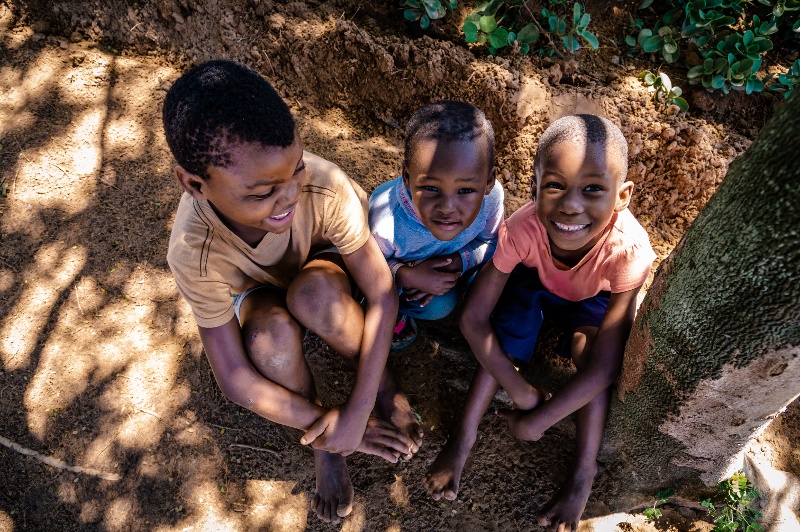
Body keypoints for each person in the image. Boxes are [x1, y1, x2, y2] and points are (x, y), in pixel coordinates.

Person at [162, 60, 423, 524]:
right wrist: (338, 431)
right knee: (267, 338)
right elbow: (236, 378)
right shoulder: (192, 251)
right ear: (195, 184)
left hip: (324, 273)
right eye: (263, 192)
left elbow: (382, 293)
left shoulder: (324, 188)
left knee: (314, 296)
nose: (288, 198)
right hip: (257, 293)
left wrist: (362, 407)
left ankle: (386, 388)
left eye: (296, 170)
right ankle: (322, 442)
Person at [424, 114, 656, 531]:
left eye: (593, 190)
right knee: (509, 326)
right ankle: (463, 437)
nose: (571, 204)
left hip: (594, 298)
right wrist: (522, 392)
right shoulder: (523, 228)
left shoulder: (629, 250)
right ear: (534, 188)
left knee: (590, 354)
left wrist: (537, 422)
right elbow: (474, 319)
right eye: (555, 186)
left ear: (622, 196)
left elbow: (606, 366)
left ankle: (583, 475)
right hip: (535, 283)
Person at [369, 101, 504, 349]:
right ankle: (398, 311)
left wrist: (456, 262)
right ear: (407, 178)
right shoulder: (387, 224)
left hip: (452, 267)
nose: (447, 207)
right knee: (435, 306)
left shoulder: (491, 200)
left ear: (489, 181)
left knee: (496, 279)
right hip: (403, 277)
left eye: (465, 190)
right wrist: (408, 276)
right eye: (431, 188)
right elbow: (366, 269)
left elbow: (491, 241)